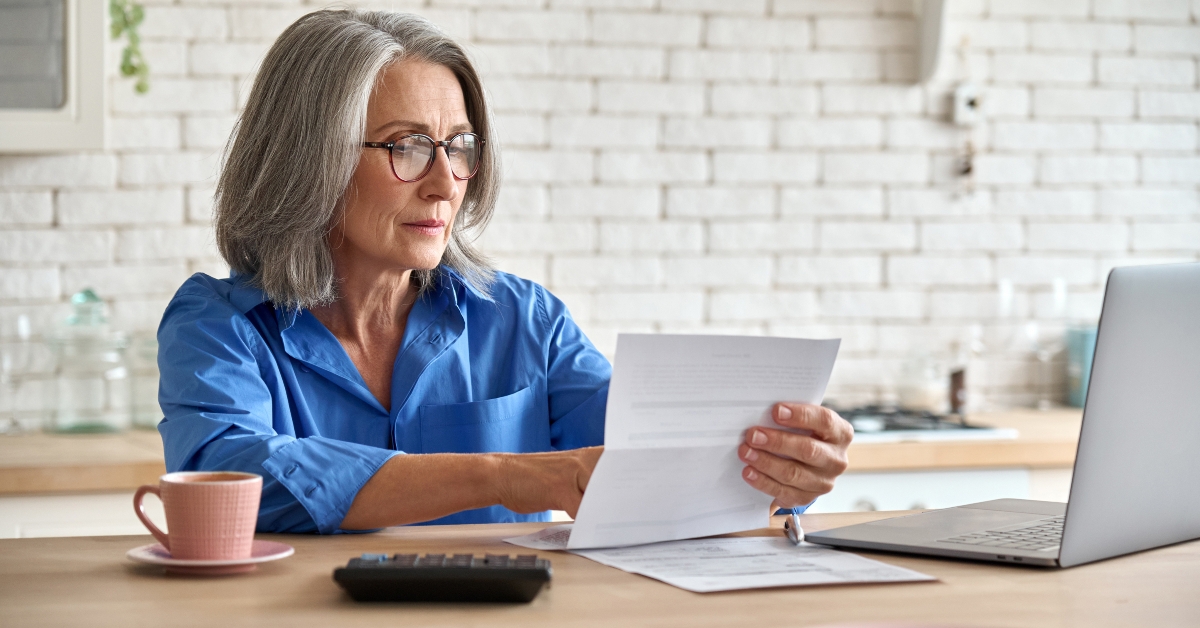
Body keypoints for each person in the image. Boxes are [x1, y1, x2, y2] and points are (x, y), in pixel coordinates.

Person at [156, 9, 853, 534]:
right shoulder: (218, 325)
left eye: (459, 146)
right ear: (311, 159)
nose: (445, 184)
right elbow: (230, 478)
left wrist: (779, 469)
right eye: (406, 147)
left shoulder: (527, 322)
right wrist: (505, 475)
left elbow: (653, 457)